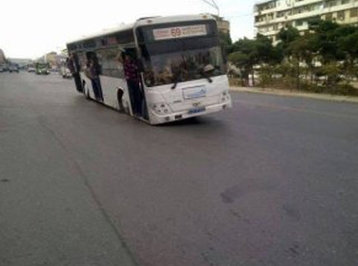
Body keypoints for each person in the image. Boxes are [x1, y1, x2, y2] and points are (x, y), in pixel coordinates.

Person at [123, 52, 142, 117]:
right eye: (126, 57)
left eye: (127, 57)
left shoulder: (133, 63)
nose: (127, 58)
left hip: (135, 81)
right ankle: (136, 111)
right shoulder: (126, 64)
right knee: (133, 97)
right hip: (130, 82)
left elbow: (137, 70)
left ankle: (139, 111)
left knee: (137, 96)